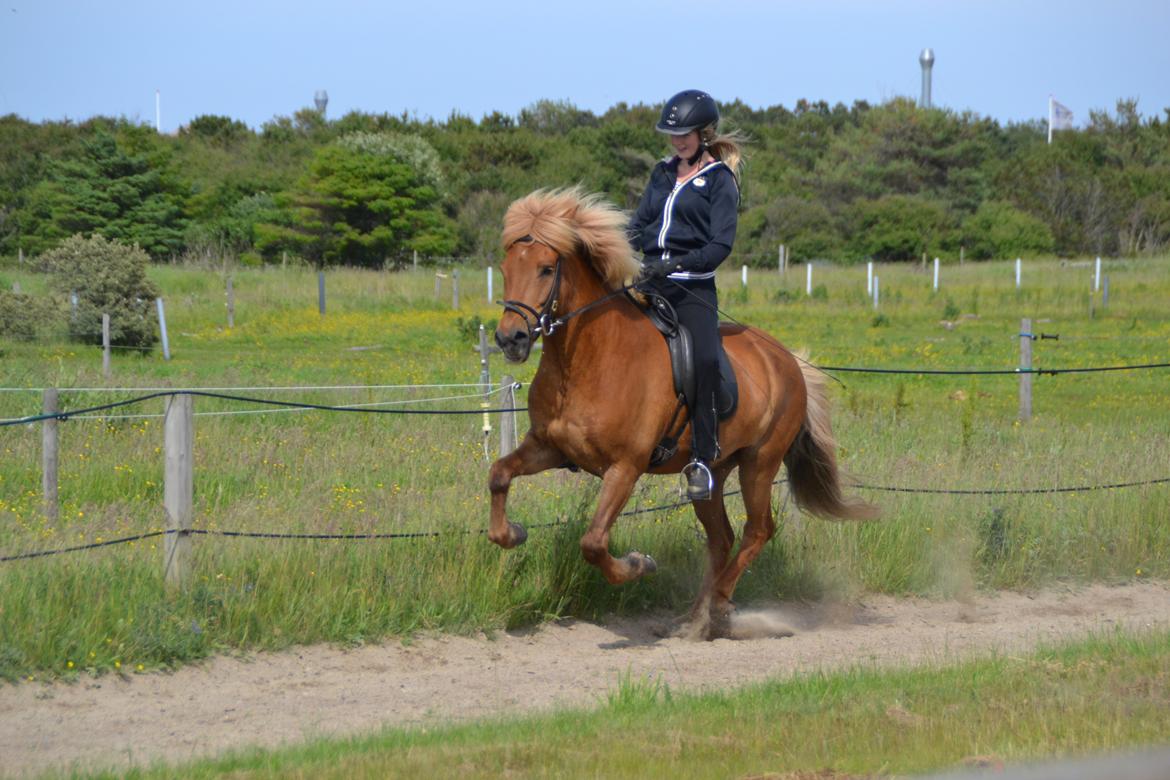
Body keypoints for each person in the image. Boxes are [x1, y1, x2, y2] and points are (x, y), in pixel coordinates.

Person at [627, 89, 744, 501]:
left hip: (692, 287)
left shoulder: (719, 181)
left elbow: (719, 246)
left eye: (685, 134)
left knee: (707, 361)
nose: (677, 141)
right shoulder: (661, 173)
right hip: (648, 279)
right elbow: (639, 223)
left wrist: (674, 264)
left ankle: (701, 456)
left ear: (704, 133)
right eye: (672, 134)